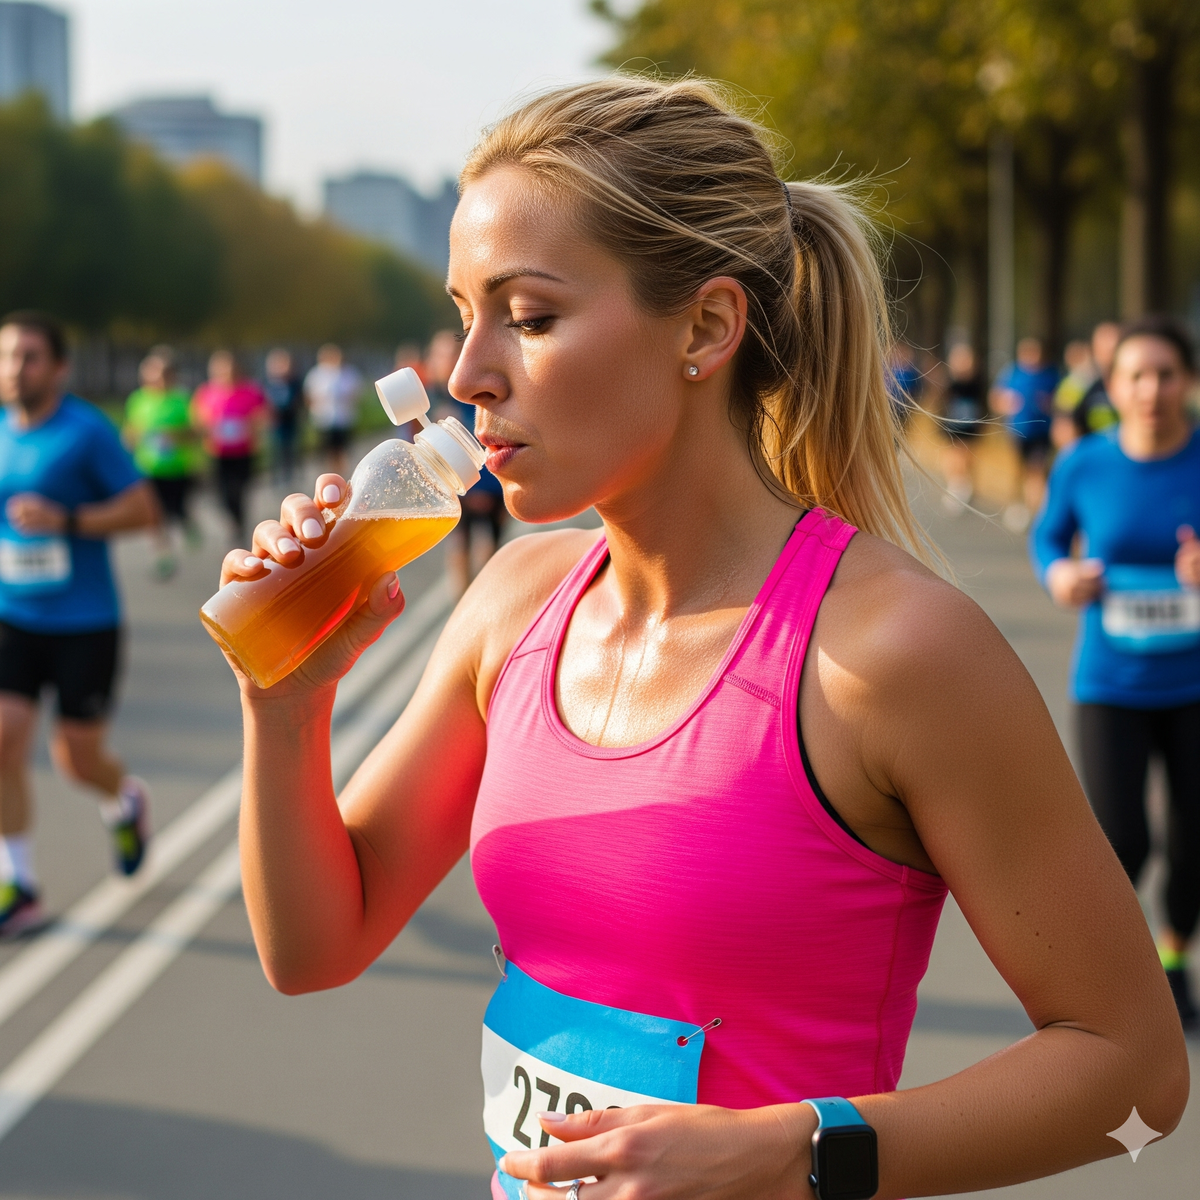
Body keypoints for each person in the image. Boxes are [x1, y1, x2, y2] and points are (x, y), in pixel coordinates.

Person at [219, 80, 1186, 1200]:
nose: (468, 373)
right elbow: (313, 949)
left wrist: (795, 1150)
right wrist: (283, 706)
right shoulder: (511, 603)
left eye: (527, 318)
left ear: (708, 326)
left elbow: (1138, 1082)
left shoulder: (894, 654)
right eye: (464, 312)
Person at [1032, 314, 1200, 1030]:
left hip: (1195, 686)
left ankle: (1173, 957)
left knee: (1194, 840)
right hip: (1110, 684)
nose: (1152, 389)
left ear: (1188, 382)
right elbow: (1048, 536)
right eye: (1137, 375)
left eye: (1166, 374)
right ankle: (1115, 977)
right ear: (1116, 385)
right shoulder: (1086, 463)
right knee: (1120, 839)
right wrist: (1061, 574)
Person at [0, 312, 160, 936]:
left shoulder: (86, 432)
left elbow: (142, 508)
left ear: (59, 367)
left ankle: (124, 800)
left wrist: (67, 521)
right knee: (3, 744)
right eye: (9, 356)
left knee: (77, 759)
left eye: (30, 357)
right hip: (13, 616)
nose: (16, 368)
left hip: (84, 621)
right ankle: (21, 883)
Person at [424, 329, 508, 595]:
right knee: (459, 548)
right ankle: (462, 606)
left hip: (488, 486)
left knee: (489, 552)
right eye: (440, 354)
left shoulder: (478, 394)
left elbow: (492, 439)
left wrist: (484, 489)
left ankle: (480, 602)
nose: (446, 360)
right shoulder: (428, 398)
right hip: (452, 490)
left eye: (452, 353)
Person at [123, 346, 204, 579]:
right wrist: (130, 438)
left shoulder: (182, 399)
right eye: (152, 373)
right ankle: (163, 556)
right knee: (154, 515)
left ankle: (188, 524)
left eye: (163, 374)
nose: (157, 379)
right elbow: (132, 428)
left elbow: (197, 432)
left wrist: (175, 436)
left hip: (178, 467)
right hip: (148, 468)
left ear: (172, 375)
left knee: (178, 510)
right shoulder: (138, 399)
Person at [192, 350, 268, 544]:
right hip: (218, 451)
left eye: (231, 369)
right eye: (222, 369)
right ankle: (234, 521)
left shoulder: (250, 390)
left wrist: (253, 425)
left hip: (244, 450)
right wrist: (207, 423)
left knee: (239, 491)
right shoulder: (207, 392)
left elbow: (265, 415)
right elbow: (197, 419)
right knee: (222, 494)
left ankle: (238, 523)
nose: (227, 373)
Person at [990, 336, 1060, 532]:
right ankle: (1016, 505)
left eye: (1035, 352)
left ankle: (1036, 513)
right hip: (1017, 431)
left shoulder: (1051, 375)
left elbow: (1062, 400)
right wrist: (1005, 403)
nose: (1032, 356)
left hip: (1042, 432)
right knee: (1017, 471)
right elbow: (995, 397)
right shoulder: (1012, 373)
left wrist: (1051, 404)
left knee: (1037, 470)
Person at [1052, 321, 1120, 450]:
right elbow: (1063, 429)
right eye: (1105, 344)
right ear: (1094, 347)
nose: (1111, 349)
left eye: (1116, 344)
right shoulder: (1077, 383)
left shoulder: (1137, 380)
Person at [939, 342, 987, 513]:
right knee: (953, 455)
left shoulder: (976, 382)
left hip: (969, 424)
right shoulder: (949, 382)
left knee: (967, 457)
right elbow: (941, 401)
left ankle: (965, 487)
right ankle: (957, 486)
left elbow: (982, 403)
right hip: (952, 422)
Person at [304, 344, 362, 475]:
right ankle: (329, 474)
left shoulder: (349, 373)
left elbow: (357, 394)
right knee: (327, 450)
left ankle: (342, 473)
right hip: (324, 419)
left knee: (342, 449)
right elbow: (308, 395)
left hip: (344, 418)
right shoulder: (316, 374)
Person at [263, 348, 304, 484]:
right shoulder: (269, 383)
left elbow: (300, 400)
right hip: (276, 422)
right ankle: (276, 475)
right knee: (276, 449)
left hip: (291, 420)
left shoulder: (295, 383)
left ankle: (291, 473)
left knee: (291, 447)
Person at [885, 341, 922, 429]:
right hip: (891, 403)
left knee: (902, 426)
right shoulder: (890, 371)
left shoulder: (910, 373)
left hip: (904, 404)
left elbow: (916, 388)